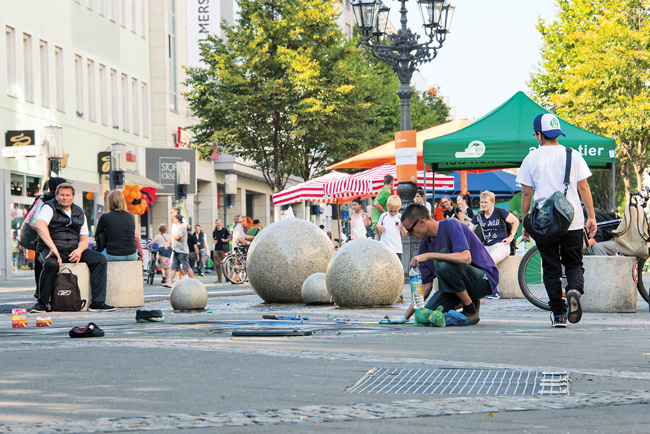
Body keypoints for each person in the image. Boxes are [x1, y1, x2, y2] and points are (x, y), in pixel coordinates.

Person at [517, 113, 596, 328]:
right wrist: (591, 216)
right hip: (572, 220)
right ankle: (573, 290)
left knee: (550, 268)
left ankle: (559, 315)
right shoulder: (573, 154)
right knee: (574, 263)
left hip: (544, 223)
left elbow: (526, 194)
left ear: (539, 135)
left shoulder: (531, 158)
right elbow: (583, 188)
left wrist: (526, 222)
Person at [386, 203, 499, 325]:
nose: (409, 235)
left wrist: (430, 255)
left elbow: (466, 258)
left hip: (483, 280)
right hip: (454, 287)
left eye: (410, 230)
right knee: (426, 317)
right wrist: (405, 317)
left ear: (421, 222)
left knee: (443, 265)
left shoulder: (451, 224)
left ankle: (470, 311)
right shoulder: (425, 243)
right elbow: (425, 287)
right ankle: (467, 302)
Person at [31, 182, 114, 312]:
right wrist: (53, 248)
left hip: (72, 249)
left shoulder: (79, 211)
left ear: (73, 197)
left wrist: (80, 250)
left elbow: (84, 238)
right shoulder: (49, 207)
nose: (65, 198)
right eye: (62, 195)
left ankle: (97, 302)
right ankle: (42, 303)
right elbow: (40, 226)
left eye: (68, 195)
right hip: (49, 248)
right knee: (51, 264)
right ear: (57, 196)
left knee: (100, 260)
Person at [469, 191, 519, 299]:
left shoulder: (500, 212)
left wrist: (511, 236)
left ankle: (494, 291)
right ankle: (476, 289)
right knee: (472, 261)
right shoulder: (478, 215)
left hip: (501, 244)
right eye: (481, 202)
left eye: (485, 202)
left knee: (490, 261)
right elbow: (469, 230)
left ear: (492, 202)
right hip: (486, 245)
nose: (483, 205)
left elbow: (516, 221)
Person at [31, 177, 67, 299]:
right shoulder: (60, 199)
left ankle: (39, 292)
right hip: (57, 238)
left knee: (40, 266)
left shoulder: (41, 198)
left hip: (41, 238)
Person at [94, 190, 138, 261]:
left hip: (112, 254)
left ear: (110, 202)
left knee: (95, 259)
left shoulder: (105, 216)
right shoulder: (131, 216)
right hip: (132, 254)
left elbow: (97, 235)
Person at [163, 213, 192, 287]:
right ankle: (170, 282)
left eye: (174, 219)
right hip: (176, 249)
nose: (173, 220)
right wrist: (168, 243)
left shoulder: (182, 227)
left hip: (182, 251)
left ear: (178, 220)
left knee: (186, 267)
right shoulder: (176, 227)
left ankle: (193, 281)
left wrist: (172, 235)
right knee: (174, 267)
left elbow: (177, 237)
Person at [375, 195, 407, 259]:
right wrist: (378, 225)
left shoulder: (400, 217)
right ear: (387, 207)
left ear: (399, 208)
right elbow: (378, 227)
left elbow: (404, 234)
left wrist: (402, 227)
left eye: (395, 211)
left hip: (396, 248)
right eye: (390, 211)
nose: (393, 213)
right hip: (384, 247)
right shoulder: (383, 216)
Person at [371, 175, 395, 240]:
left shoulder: (381, 191)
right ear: (392, 182)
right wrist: (386, 214)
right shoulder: (386, 192)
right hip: (381, 224)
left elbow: (373, 205)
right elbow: (376, 204)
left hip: (378, 223)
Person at [212, 218, 231, 283]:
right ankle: (219, 278)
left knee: (224, 264)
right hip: (216, 249)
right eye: (217, 223)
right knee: (217, 264)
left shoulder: (224, 230)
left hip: (223, 248)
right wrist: (214, 241)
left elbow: (230, 237)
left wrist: (225, 240)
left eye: (219, 223)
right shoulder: (215, 231)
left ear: (221, 223)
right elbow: (213, 239)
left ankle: (227, 277)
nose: (218, 224)